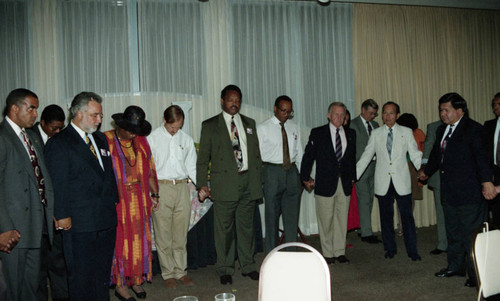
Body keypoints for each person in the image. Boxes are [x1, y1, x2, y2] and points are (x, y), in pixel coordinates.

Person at [45, 92, 119, 301]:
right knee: (81, 276)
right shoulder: (59, 142)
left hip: (105, 219)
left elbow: (107, 173)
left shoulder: (100, 138)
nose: (99, 120)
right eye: (95, 115)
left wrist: (114, 199)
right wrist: (61, 214)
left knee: (102, 274)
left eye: (100, 116)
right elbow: (57, 183)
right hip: (79, 222)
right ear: (78, 113)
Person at [419, 92, 495, 288]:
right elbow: (437, 154)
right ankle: (455, 266)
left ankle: (475, 274)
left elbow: (482, 158)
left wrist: (487, 182)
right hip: (450, 191)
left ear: (460, 111)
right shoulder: (442, 129)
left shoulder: (474, 129)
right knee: (453, 231)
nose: (443, 114)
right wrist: (427, 172)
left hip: (469, 192)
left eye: (447, 110)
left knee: (471, 234)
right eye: (441, 110)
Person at [196, 84, 263, 285]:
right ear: (222, 101)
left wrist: (258, 182)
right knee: (224, 230)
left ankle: (248, 265)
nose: (234, 103)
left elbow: (256, 154)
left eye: (238, 100)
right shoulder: (209, 125)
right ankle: (225, 268)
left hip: (247, 182)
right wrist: (201, 184)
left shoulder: (249, 123)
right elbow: (202, 159)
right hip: (224, 184)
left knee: (246, 228)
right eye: (230, 99)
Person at [0, 88, 54, 301]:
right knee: (13, 288)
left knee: (32, 287)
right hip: (12, 230)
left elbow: (42, 178)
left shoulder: (31, 136)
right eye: (31, 108)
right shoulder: (2, 136)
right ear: (14, 108)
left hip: (34, 225)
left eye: (36, 109)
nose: (35, 114)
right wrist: (3, 229)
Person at [357, 101, 422, 261]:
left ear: (397, 115)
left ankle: (412, 250)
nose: (387, 116)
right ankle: (390, 249)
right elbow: (366, 156)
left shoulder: (406, 132)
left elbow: (414, 153)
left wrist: (423, 170)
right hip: (383, 182)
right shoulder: (376, 133)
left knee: (407, 217)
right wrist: (354, 175)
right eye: (385, 113)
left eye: (391, 113)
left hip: (402, 181)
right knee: (386, 218)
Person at [105, 106, 159, 300]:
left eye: (136, 130)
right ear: (120, 126)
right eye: (129, 129)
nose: (132, 134)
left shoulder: (141, 141)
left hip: (140, 199)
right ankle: (120, 285)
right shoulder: (107, 140)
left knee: (139, 242)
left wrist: (155, 195)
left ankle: (136, 280)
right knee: (121, 243)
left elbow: (150, 169)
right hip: (118, 201)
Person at [147, 105, 197, 289]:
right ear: (164, 120)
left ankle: (181, 271)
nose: (176, 131)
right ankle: (168, 273)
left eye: (179, 127)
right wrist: (153, 194)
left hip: (182, 187)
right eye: (172, 127)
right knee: (163, 234)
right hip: (162, 188)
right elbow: (149, 170)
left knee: (180, 234)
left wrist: (203, 187)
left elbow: (192, 167)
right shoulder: (152, 139)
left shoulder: (187, 139)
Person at [300, 102, 356, 264]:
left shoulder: (351, 133)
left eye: (342, 114)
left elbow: (352, 158)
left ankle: (339, 251)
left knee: (341, 219)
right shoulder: (318, 133)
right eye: (336, 114)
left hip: (344, 184)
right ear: (329, 115)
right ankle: (327, 253)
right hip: (325, 183)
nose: (339, 117)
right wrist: (305, 177)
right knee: (326, 220)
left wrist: (353, 177)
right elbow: (308, 156)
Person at [28, 104, 69, 301]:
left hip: (55, 212)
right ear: (42, 123)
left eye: (60, 127)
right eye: (53, 128)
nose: (57, 132)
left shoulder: (61, 140)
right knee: (37, 269)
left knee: (58, 263)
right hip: (34, 215)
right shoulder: (28, 137)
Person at [257, 95, 303, 254]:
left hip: (291, 172)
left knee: (292, 217)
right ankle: (272, 254)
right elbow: (257, 156)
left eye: (289, 112)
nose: (286, 114)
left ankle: (291, 252)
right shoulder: (263, 128)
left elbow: (299, 153)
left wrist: (303, 176)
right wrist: (260, 179)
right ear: (275, 108)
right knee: (272, 216)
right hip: (272, 172)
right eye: (283, 110)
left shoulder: (294, 127)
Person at [350, 99, 381, 244]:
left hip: (375, 166)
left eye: (374, 114)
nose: (373, 116)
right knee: (363, 199)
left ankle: (363, 228)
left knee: (369, 198)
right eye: (370, 113)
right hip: (360, 167)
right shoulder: (353, 125)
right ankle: (366, 233)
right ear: (363, 110)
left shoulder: (376, 125)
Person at [395, 113, 426, 236]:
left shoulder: (418, 133)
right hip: (402, 167)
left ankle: (405, 225)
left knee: (409, 197)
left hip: (413, 168)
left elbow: (423, 151)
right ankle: (403, 225)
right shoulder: (398, 133)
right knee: (402, 197)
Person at [421, 120, 447, 255]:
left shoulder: (468, 127)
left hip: (460, 178)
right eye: (441, 109)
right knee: (441, 211)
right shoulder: (434, 127)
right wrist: (425, 168)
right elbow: (429, 146)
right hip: (439, 176)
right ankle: (443, 243)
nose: (444, 112)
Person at [482, 92, 500, 229]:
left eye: (499, 104)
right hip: (493, 172)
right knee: (496, 211)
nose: (495, 107)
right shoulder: (489, 125)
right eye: (494, 104)